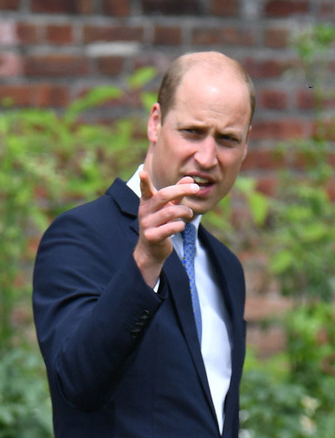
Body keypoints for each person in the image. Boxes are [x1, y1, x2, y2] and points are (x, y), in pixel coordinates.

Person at [32, 51, 254, 437]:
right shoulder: (80, 236)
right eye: (192, 132)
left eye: (228, 139)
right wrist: (144, 263)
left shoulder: (225, 266)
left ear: (246, 146)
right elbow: (77, 385)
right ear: (155, 123)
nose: (207, 157)